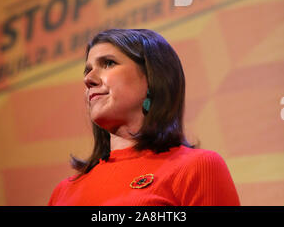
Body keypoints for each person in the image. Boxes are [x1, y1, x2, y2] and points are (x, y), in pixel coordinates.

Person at [48, 28, 240, 206]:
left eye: (108, 63)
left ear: (152, 78)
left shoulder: (196, 168)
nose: (88, 79)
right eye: (88, 70)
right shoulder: (63, 192)